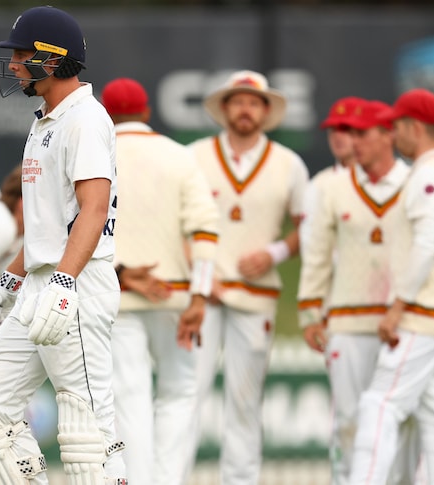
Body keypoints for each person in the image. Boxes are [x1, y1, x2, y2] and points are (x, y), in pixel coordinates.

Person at [0, 6, 127, 484]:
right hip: (39, 284)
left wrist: (66, 280)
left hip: (77, 285)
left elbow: (93, 208)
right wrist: (10, 277)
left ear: (52, 59)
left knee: (87, 432)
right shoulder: (45, 121)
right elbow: (47, 228)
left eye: (21, 55)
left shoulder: (85, 120)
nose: (11, 66)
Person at [187, 70, 309, 484]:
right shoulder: (196, 156)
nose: (245, 109)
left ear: (266, 110)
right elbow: (175, 222)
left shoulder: (289, 164)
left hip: (256, 296)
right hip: (202, 296)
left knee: (244, 402)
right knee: (188, 395)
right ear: (223, 108)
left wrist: (275, 251)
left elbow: (308, 227)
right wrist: (201, 277)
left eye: (253, 102)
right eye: (237, 101)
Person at [100, 77, 219, 485]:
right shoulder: (180, 157)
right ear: (148, 112)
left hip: (116, 295)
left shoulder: (94, 151)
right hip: (176, 298)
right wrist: (200, 296)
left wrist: (119, 273)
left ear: (106, 112)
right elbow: (205, 231)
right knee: (180, 395)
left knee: (128, 397)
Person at [349, 89, 434, 485]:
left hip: (424, 313)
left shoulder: (429, 175)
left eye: (396, 125)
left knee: (379, 404)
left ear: (414, 128)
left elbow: (427, 244)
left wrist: (399, 305)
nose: (392, 133)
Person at [298, 99, 420, 485]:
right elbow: (315, 252)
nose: (343, 138)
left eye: (353, 130)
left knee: (403, 421)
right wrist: (309, 310)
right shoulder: (327, 187)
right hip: (347, 320)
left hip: (403, 322)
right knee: (349, 419)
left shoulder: (414, 182)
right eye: (336, 129)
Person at [299, 96, 362, 245]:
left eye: (345, 129)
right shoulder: (319, 185)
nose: (337, 136)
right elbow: (310, 243)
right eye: (333, 129)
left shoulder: (384, 179)